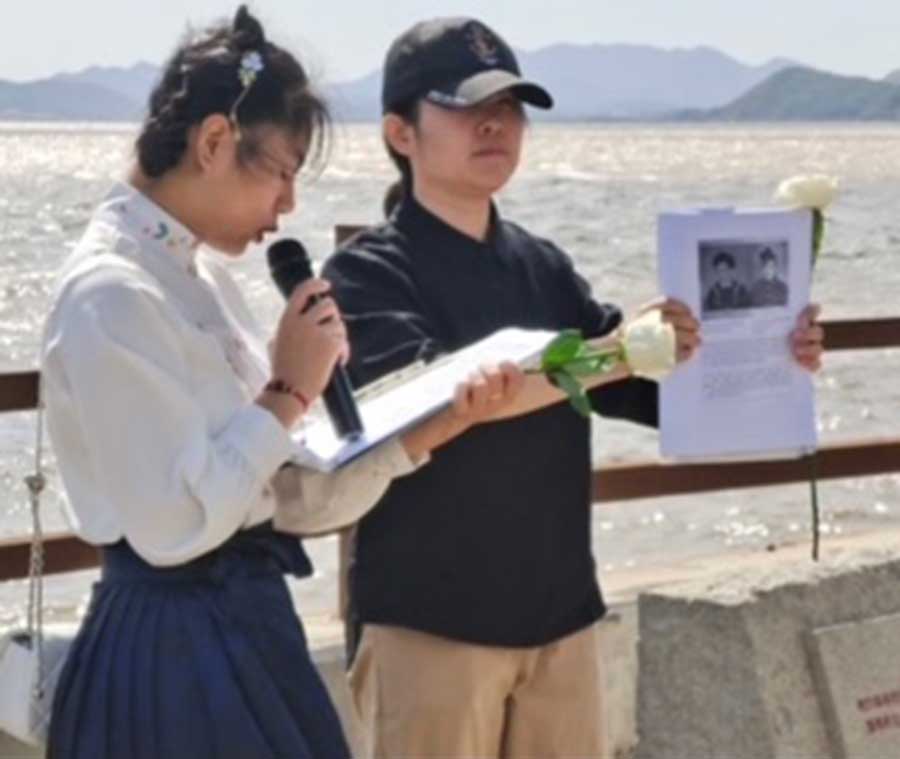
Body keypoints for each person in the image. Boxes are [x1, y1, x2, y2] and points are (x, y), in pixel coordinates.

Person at [322, 16, 825, 759]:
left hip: (563, 621)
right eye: (465, 107)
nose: (495, 124)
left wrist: (768, 352)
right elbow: (443, 400)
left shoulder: (544, 265)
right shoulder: (367, 273)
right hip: (429, 629)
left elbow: (645, 386)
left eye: (511, 106)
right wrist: (620, 351)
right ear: (401, 132)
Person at [39, 8, 523, 759]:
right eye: (284, 174)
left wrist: (417, 435)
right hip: (170, 651)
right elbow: (172, 526)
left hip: (241, 628)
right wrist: (289, 391)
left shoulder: (193, 277)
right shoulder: (109, 293)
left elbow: (271, 481)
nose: (287, 207)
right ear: (212, 143)